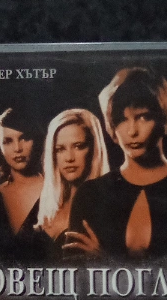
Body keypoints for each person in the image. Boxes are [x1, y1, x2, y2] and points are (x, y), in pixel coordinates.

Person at [65, 67, 167, 259]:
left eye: (143, 117)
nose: (132, 131)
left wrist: (107, 263)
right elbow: (74, 272)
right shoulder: (90, 195)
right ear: (111, 125)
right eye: (121, 119)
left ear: (164, 118)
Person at [25, 109, 109, 254]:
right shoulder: (44, 206)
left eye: (78, 146)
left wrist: (102, 259)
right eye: (60, 149)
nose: (69, 158)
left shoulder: (108, 207)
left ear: (94, 150)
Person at [0, 108, 44, 236]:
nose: (17, 148)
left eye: (24, 138)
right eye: (8, 141)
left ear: (36, 140)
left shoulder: (55, 189)